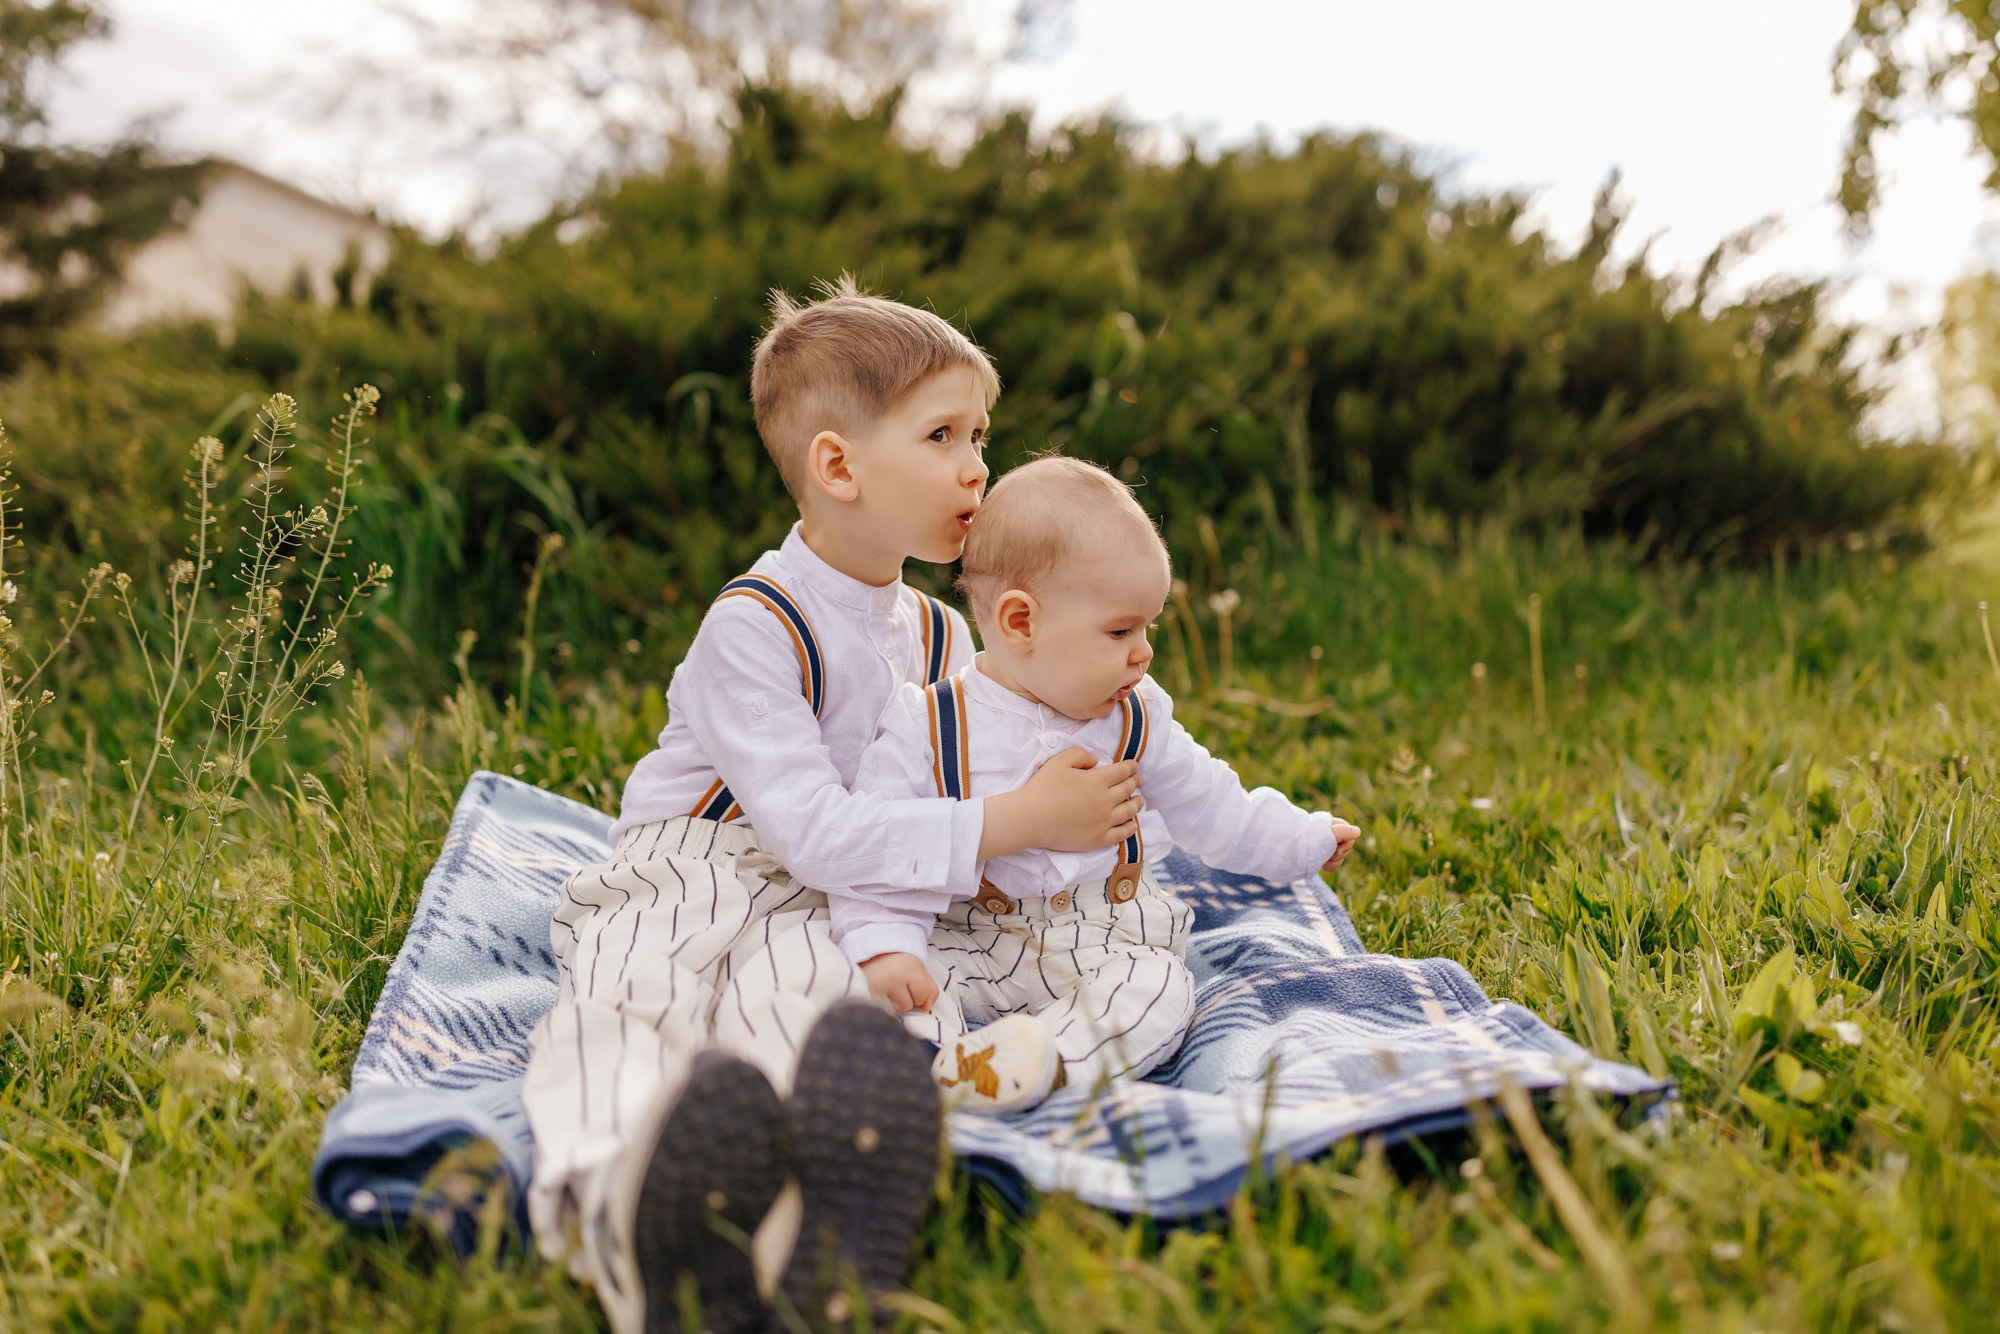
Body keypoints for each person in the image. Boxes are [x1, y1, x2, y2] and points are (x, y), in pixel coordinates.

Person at [518, 282, 1146, 1334]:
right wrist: (1018, 820)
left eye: (980, 435)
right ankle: (622, 1207)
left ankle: (799, 1240)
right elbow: (809, 825)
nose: (976, 466)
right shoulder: (756, 625)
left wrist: (1063, 832)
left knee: (822, 1008)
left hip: (841, 895)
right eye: (941, 433)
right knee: (631, 1000)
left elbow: (959, 791)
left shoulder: (946, 637)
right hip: (695, 864)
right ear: (838, 465)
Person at [831, 455, 1362, 1113]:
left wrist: (1303, 840)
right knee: (891, 984)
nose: (1143, 652)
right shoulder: (930, 726)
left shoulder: (1136, 714)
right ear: (1021, 622)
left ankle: (1036, 1064)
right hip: (970, 934)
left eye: (1148, 628)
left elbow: (1216, 808)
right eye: (1120, 631)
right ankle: (922, 1073)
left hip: (1106, 939)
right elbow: (887, 852)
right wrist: (887, 950)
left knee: (1160, 990)